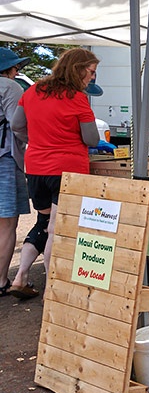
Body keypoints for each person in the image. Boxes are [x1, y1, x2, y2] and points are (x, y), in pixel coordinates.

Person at [9, 48, 101, 299]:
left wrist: (38, 139)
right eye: (91, 72)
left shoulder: (33, 90)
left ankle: (20, 276)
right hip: (67, 170)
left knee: (43, 223)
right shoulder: (77, 98)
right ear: (78, 68)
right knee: (56, 230)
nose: (92, 77)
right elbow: (91, 137)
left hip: (36, 168)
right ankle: (54, 289)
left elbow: (17, 125)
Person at [0, 48, 30, 297]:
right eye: (16, 68)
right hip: (5, 160)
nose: (17, 72)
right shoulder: (10, 88)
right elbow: (17, 125)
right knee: (6, 224)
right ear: (9, 69)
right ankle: (1, 281)